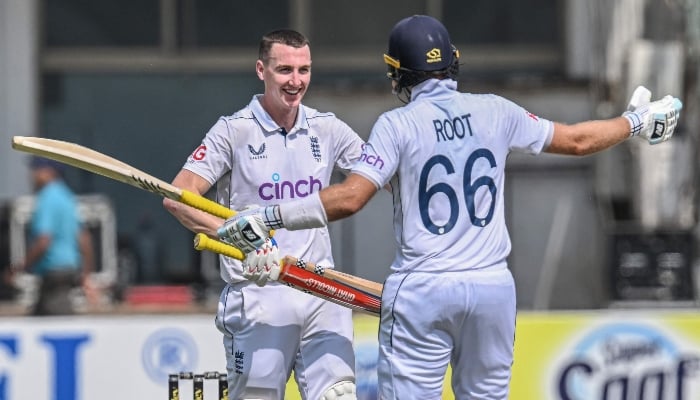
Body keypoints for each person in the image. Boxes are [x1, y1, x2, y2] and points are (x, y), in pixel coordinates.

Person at [217, 15, 683, 400]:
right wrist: (637, 119)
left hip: (424, 290)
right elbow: (580, 141)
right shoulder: (496, 110)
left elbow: (352, 197)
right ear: (453, 63)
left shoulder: (396, 124)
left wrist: (267, 216)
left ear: (397, 73)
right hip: (492, 289)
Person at [162, 29, 364, 400]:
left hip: (321, 290)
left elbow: (381, 177)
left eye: (304, 70)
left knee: (339, 394)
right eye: (285, 69)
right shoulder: (233, 131)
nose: (296, 81)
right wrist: (242, 236)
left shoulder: (327, 128)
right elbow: (179, 197)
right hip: (260, 291)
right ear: (261, 70)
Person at [9, 156, 95, 316]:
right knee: (42, 317)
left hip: (54, 273)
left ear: (49, 172)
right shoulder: (67, 196)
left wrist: (19, 267)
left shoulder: (47, 198)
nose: (32, 175)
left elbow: (43, 241)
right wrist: (86, 275)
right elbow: (84, 238)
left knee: (55, 321)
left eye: (36, 170)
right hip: (69, 270)